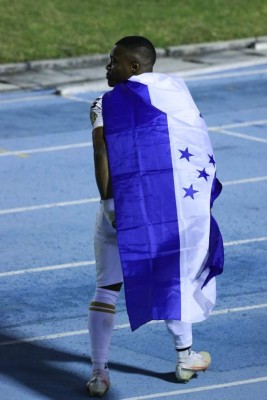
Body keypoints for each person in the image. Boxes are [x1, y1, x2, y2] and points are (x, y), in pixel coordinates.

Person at [87, 36, 224, 397]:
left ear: (133, 67)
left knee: (106, 289)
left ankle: (99, 373)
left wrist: (108, 203)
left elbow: (101, 148)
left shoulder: (105, 102)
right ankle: (184, 357)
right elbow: (194, 141)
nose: (107, 66)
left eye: (113, 61)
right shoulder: (177, 92)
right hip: (164, 209)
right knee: (170, 274)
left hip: (119, 208)